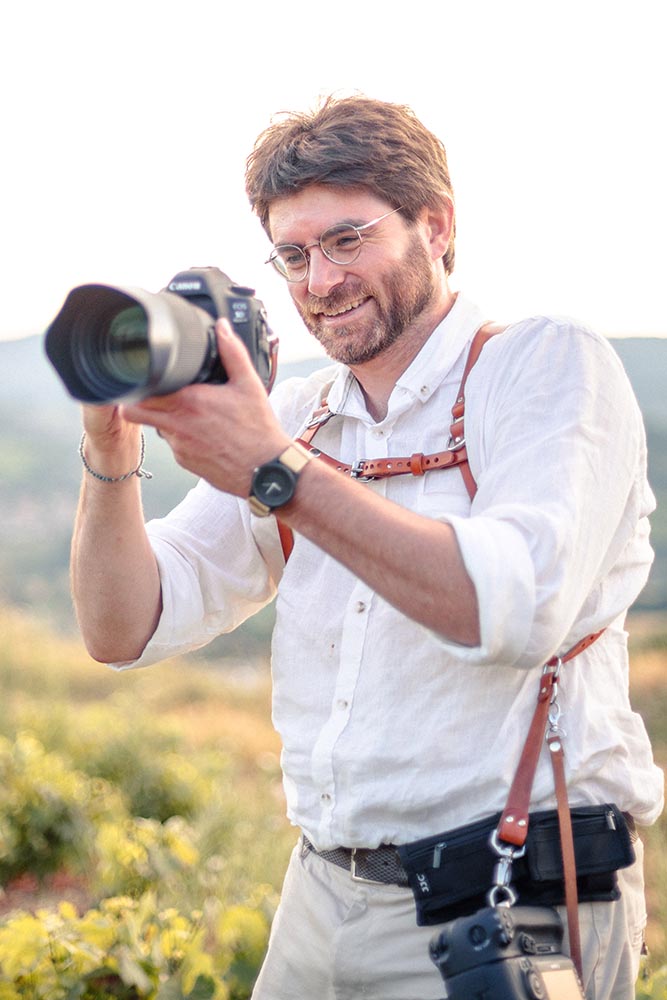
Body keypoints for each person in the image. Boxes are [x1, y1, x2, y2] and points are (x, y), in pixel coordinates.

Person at [71, 95, 663, 1000]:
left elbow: (514, 606)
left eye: (347, 241)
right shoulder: (304, 417)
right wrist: (109, 454)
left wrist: (274, 470)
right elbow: (125, 626)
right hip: (320, 895)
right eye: (295, 255)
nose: (319, 282)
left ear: (437, 224)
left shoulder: (544, 363)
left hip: (511, 903)